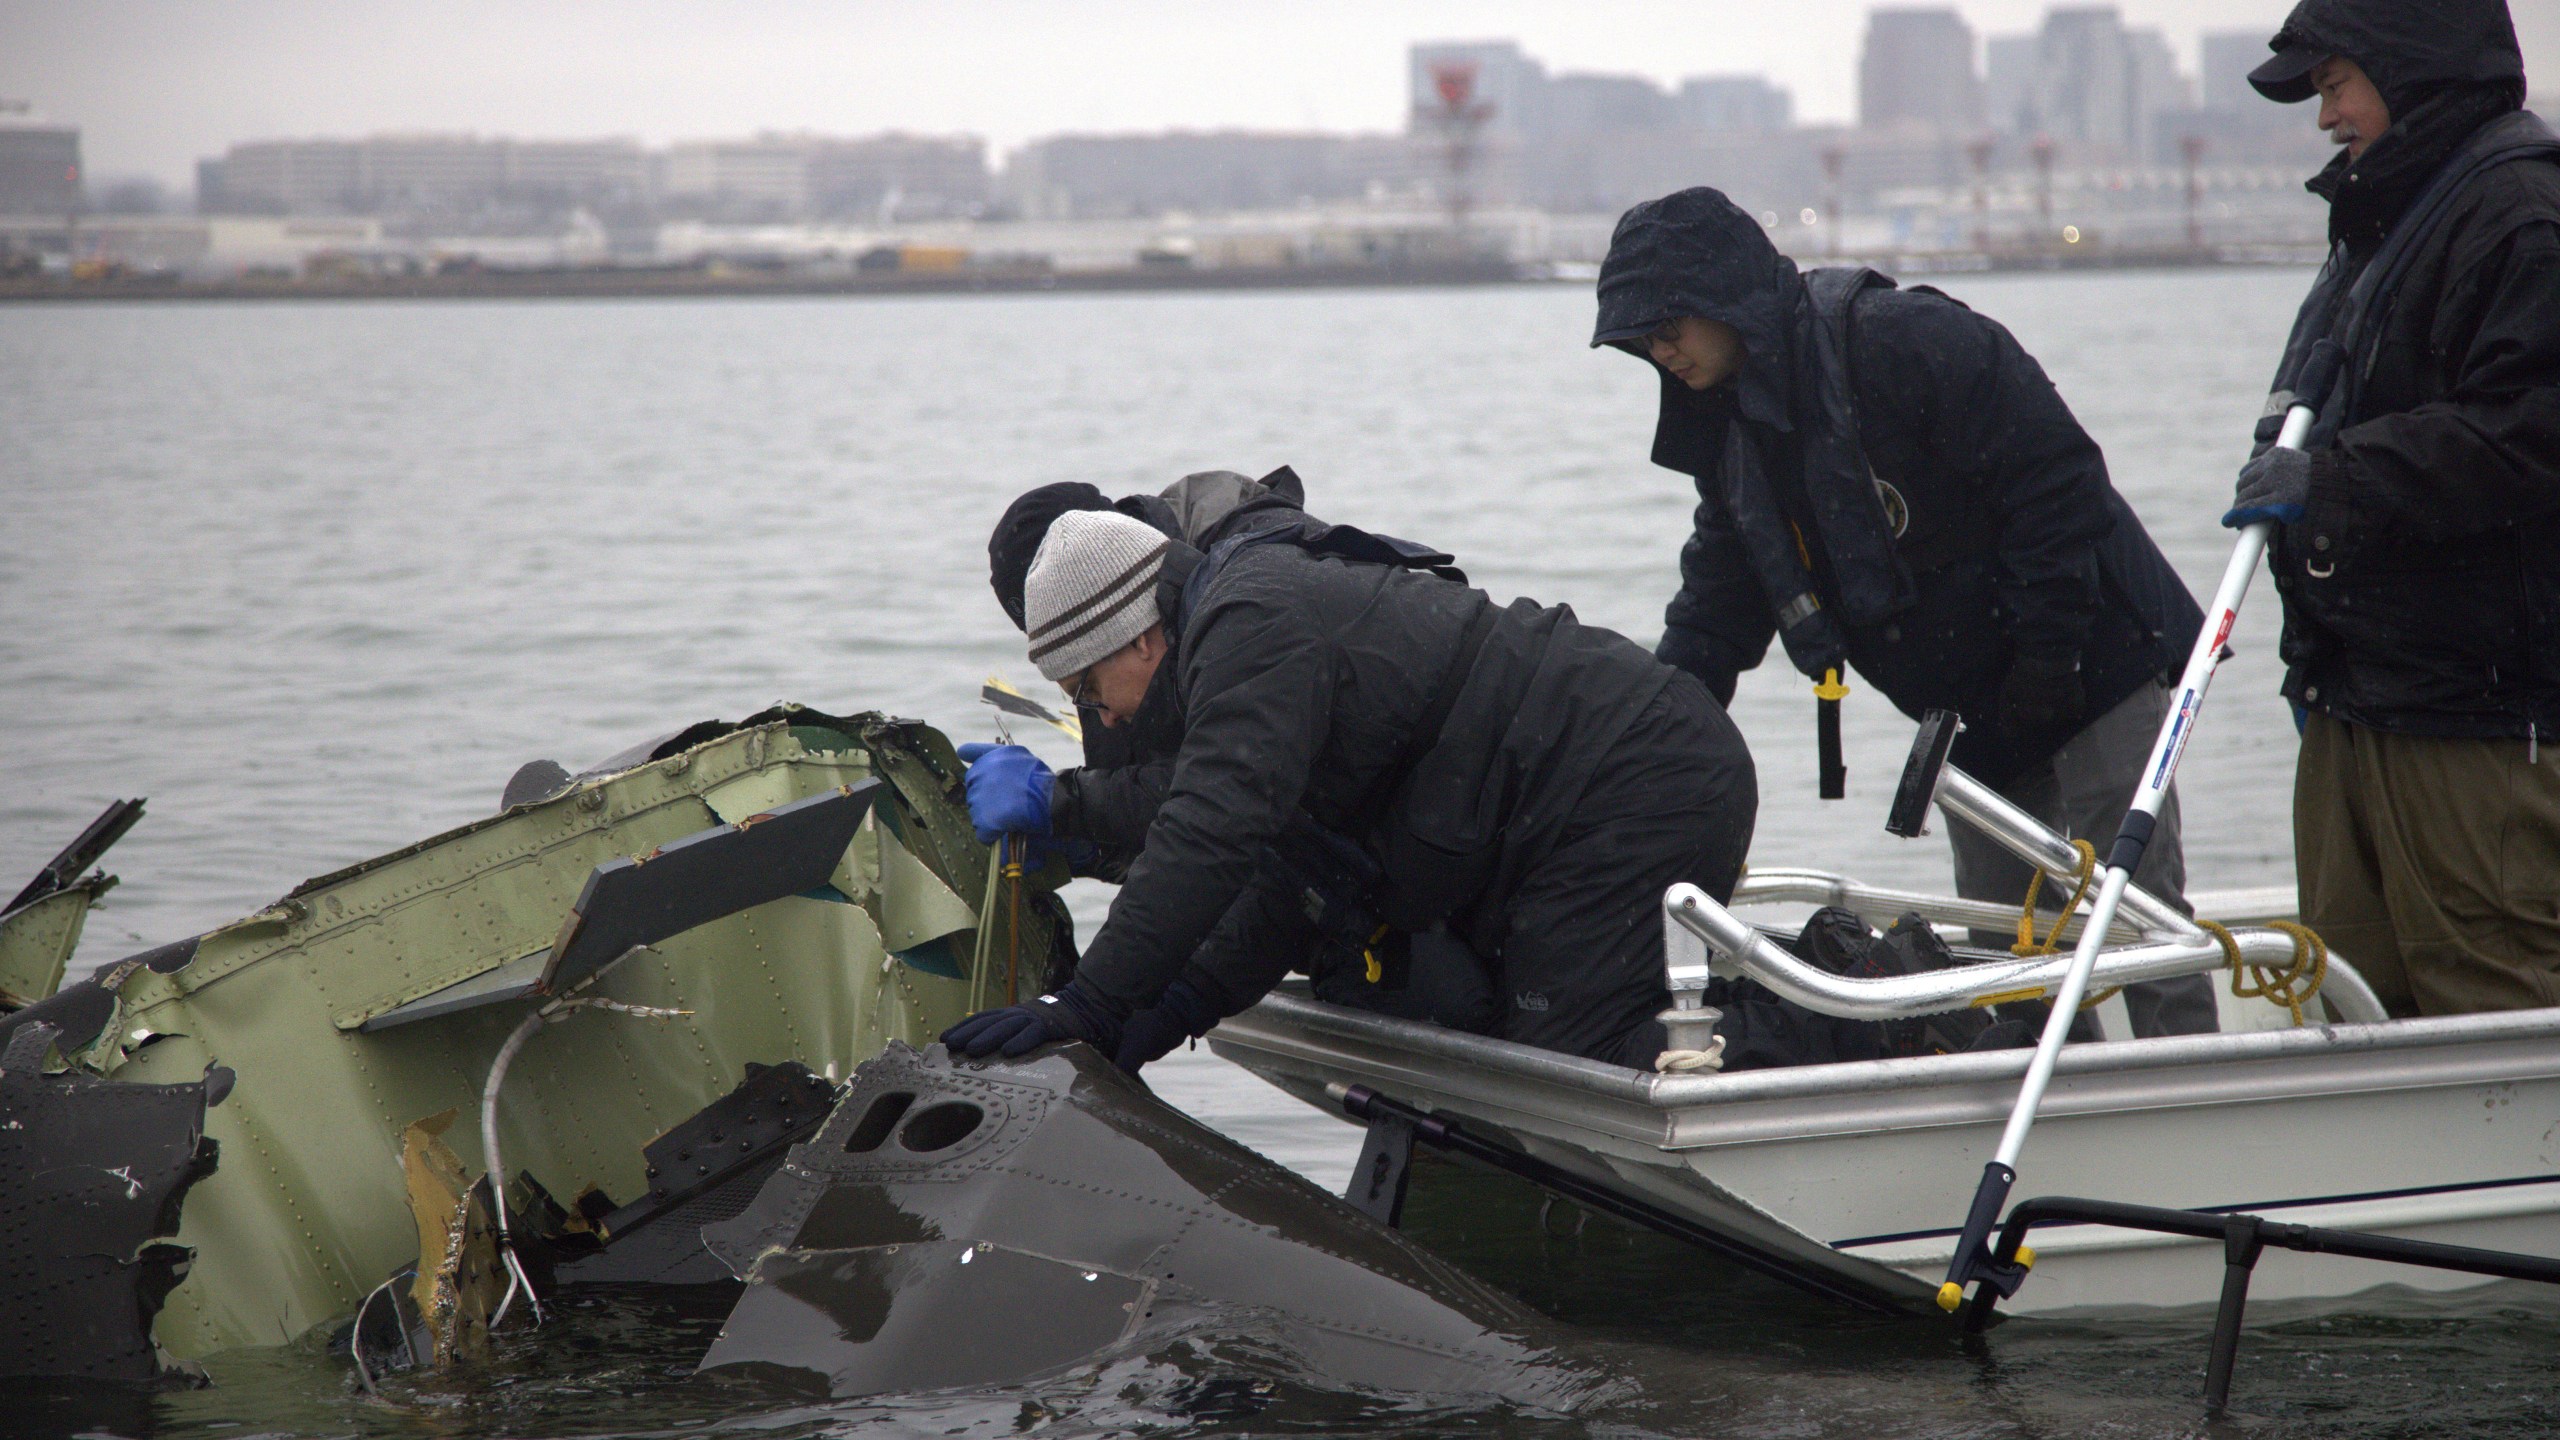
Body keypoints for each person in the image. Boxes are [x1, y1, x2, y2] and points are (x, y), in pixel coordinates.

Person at [1592, 185, 2219, 1038]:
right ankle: (2056, 1113)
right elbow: (1717, 603)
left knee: (2142, 915)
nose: (1659, 349)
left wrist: (2048, 656)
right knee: (2006, 953)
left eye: (1668, 325)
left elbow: (2058, 480)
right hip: (1971, 707)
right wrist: (1651, 732)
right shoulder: (1734, 435)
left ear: (1724, 299)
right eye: (1641, 340)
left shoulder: (1902, 340)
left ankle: (2188, 1098)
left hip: (2094, 659)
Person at [941, 503, 1759, 1073]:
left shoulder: (1250, 622)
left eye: (1086, 689)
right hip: (1576, 803)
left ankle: (1855, 1025)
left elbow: (1210, 833)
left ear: (1138, 636)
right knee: (1511, 1031)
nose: (1101, 721)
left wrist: (1089, 1004)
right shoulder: (1225, 648)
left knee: (1583, 1060)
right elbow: (1288, 886)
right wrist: (1165, 1009)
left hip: (1637, 776)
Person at [2228, 0, 2560, 1015]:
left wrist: (2331, 481)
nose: (2325, 117)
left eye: (2334, 85)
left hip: (2475, 716)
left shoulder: (2518, 216)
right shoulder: (2384, 220)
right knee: (2342, 992)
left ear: (2407, 71)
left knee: (2487, 993)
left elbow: (2529, 432)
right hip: (2356, 694)